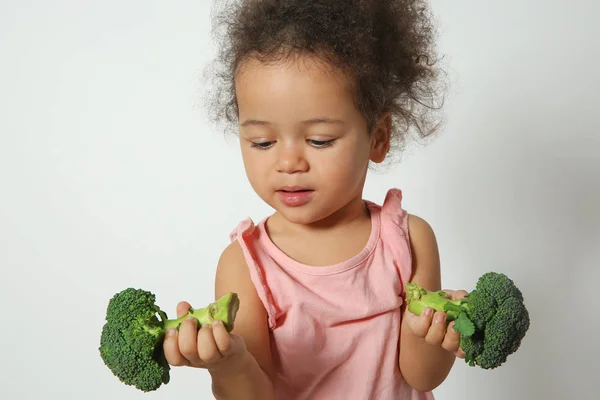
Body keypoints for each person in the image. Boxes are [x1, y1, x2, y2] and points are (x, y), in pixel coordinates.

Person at [163, 1, 467, 398]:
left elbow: (422, 376)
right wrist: (229, 363)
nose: (288, 162)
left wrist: (433, 329)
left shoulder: (408, 240)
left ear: (378, 137)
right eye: (263, 141)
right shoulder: (246, 266)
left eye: (319, 140)